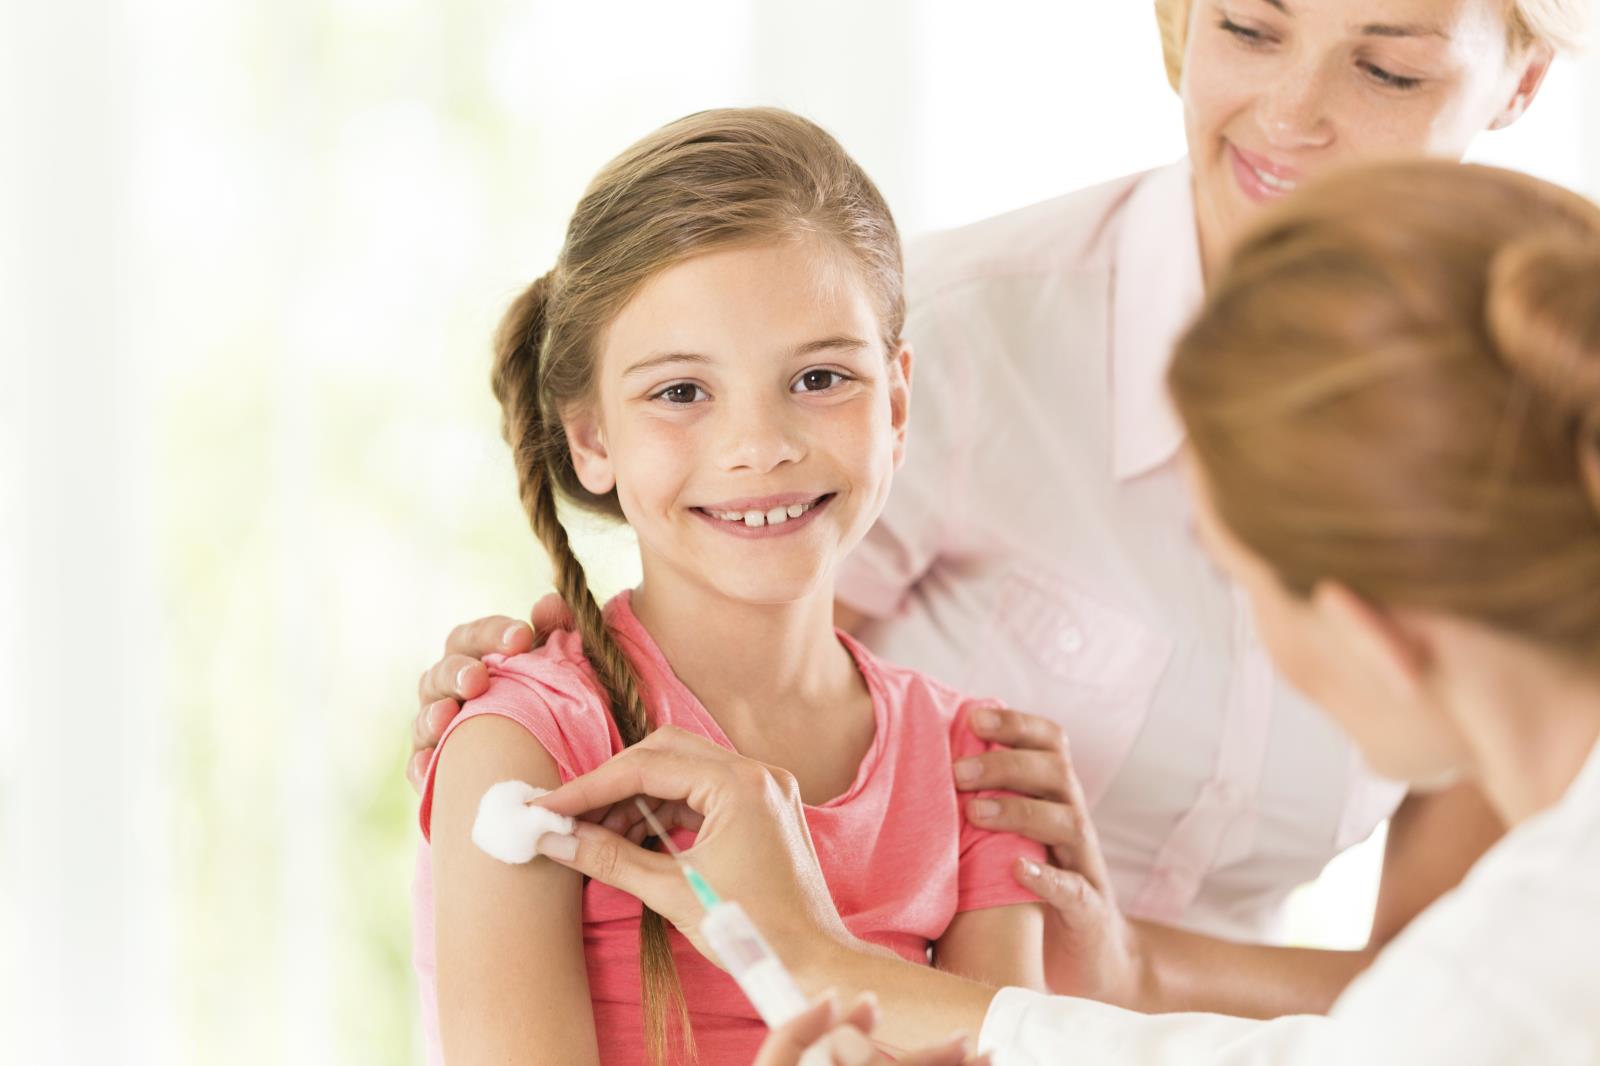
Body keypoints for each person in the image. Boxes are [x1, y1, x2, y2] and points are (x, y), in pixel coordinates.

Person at [409, 0, 1588, 1018]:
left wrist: (1132, 973)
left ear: (1522, 80)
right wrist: (535, 696)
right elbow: (712, 641)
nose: (1293, 113)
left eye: (1387, 68)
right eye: (1247, 25)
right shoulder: (974, 338)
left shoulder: (1519, 408)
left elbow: (1450, 986)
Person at [414, 107, 1050, 1066]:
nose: (761, 445)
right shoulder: (531, 747)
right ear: (590, 437)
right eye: (680, 393)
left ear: (899, 401)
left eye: (822, 377)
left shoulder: (970, 765)